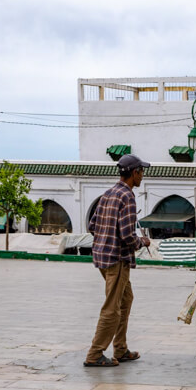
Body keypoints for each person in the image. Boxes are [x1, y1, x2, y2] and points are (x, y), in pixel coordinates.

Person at [84, 154, 152, 367]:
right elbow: (127, 236)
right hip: (117, 260)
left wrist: (106, 238)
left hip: (102, 257)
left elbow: (92, 226)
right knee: (112, 307)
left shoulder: (108, 194)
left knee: (126, 299)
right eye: (141, 171)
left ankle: (120, 349)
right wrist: (143, 242)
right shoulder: (128, 197)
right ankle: (95, 353)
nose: (142, 175)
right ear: (134, 173)